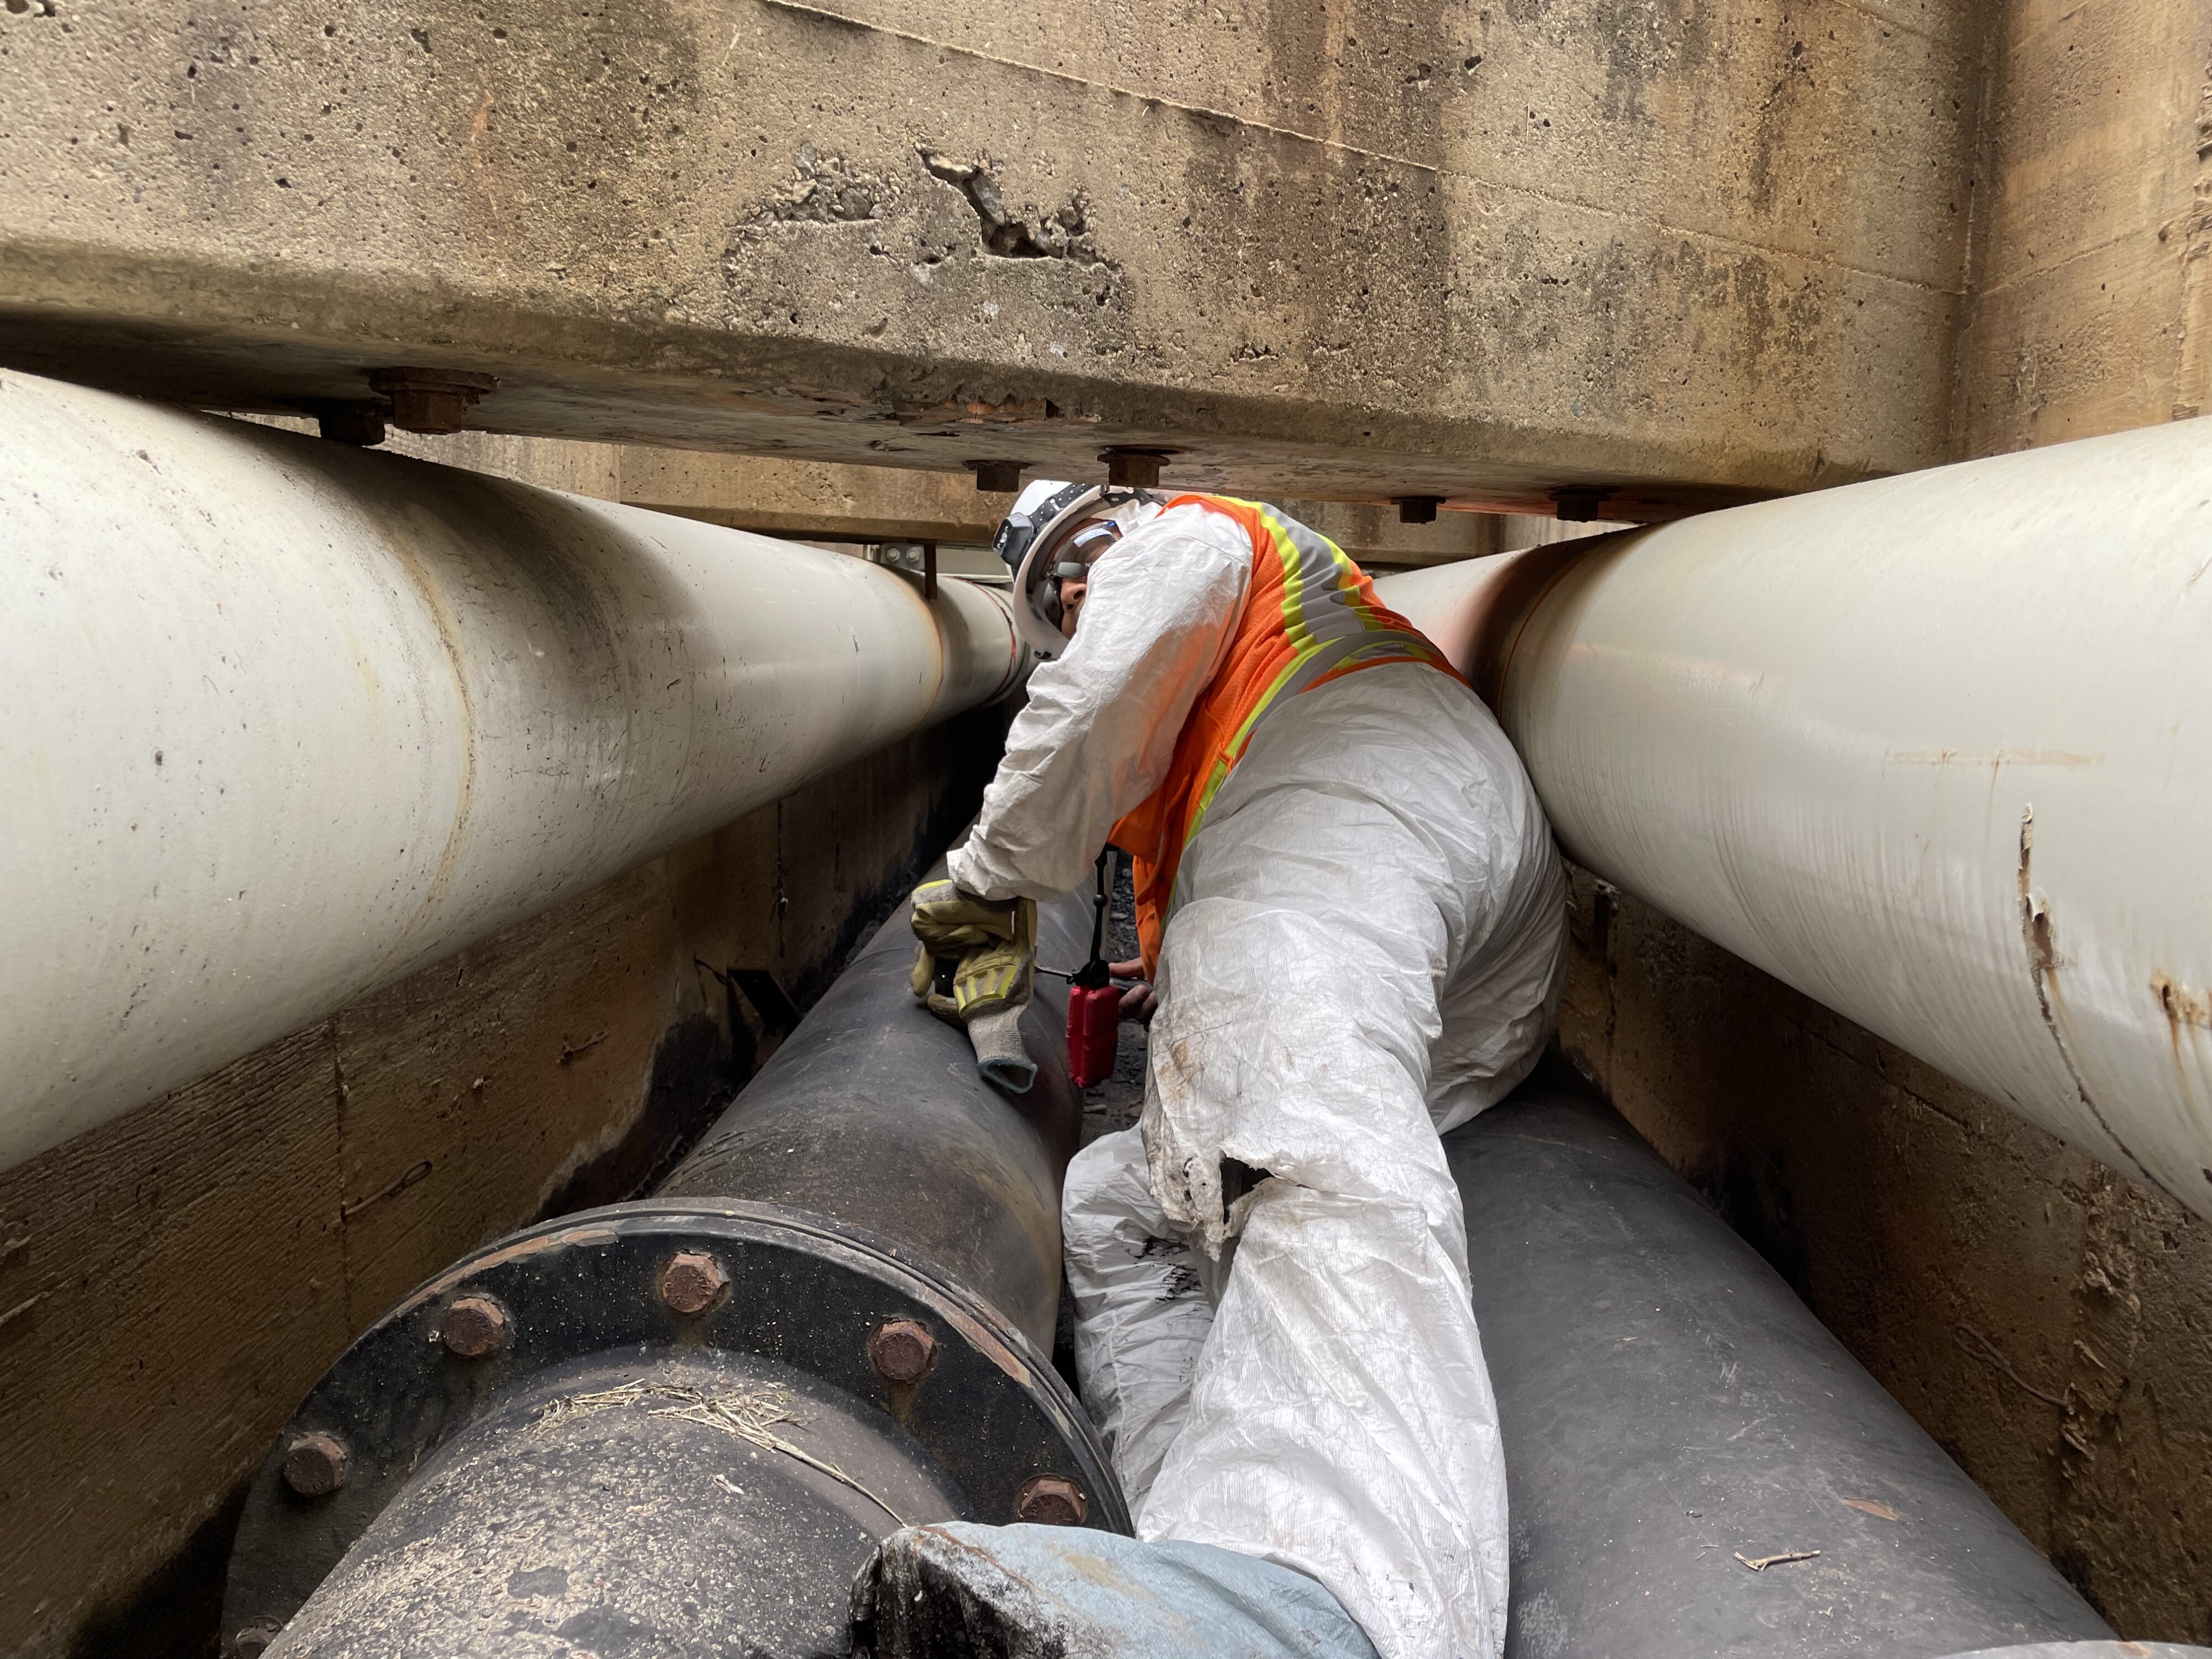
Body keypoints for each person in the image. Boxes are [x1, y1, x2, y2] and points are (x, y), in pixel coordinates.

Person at [876, 481, 1567, 1659]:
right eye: (1052, 590)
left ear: (1124, 514)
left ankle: (1318, 1602)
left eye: (1083, 551)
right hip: (1429, 937)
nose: (1079, 582)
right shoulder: (1209, 756)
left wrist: (986, 879)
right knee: (1111, 1204)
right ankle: (1182, 1553)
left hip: (1378, 779)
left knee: (1282, 1088)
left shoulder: (1191, 533)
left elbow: (1098, 690)